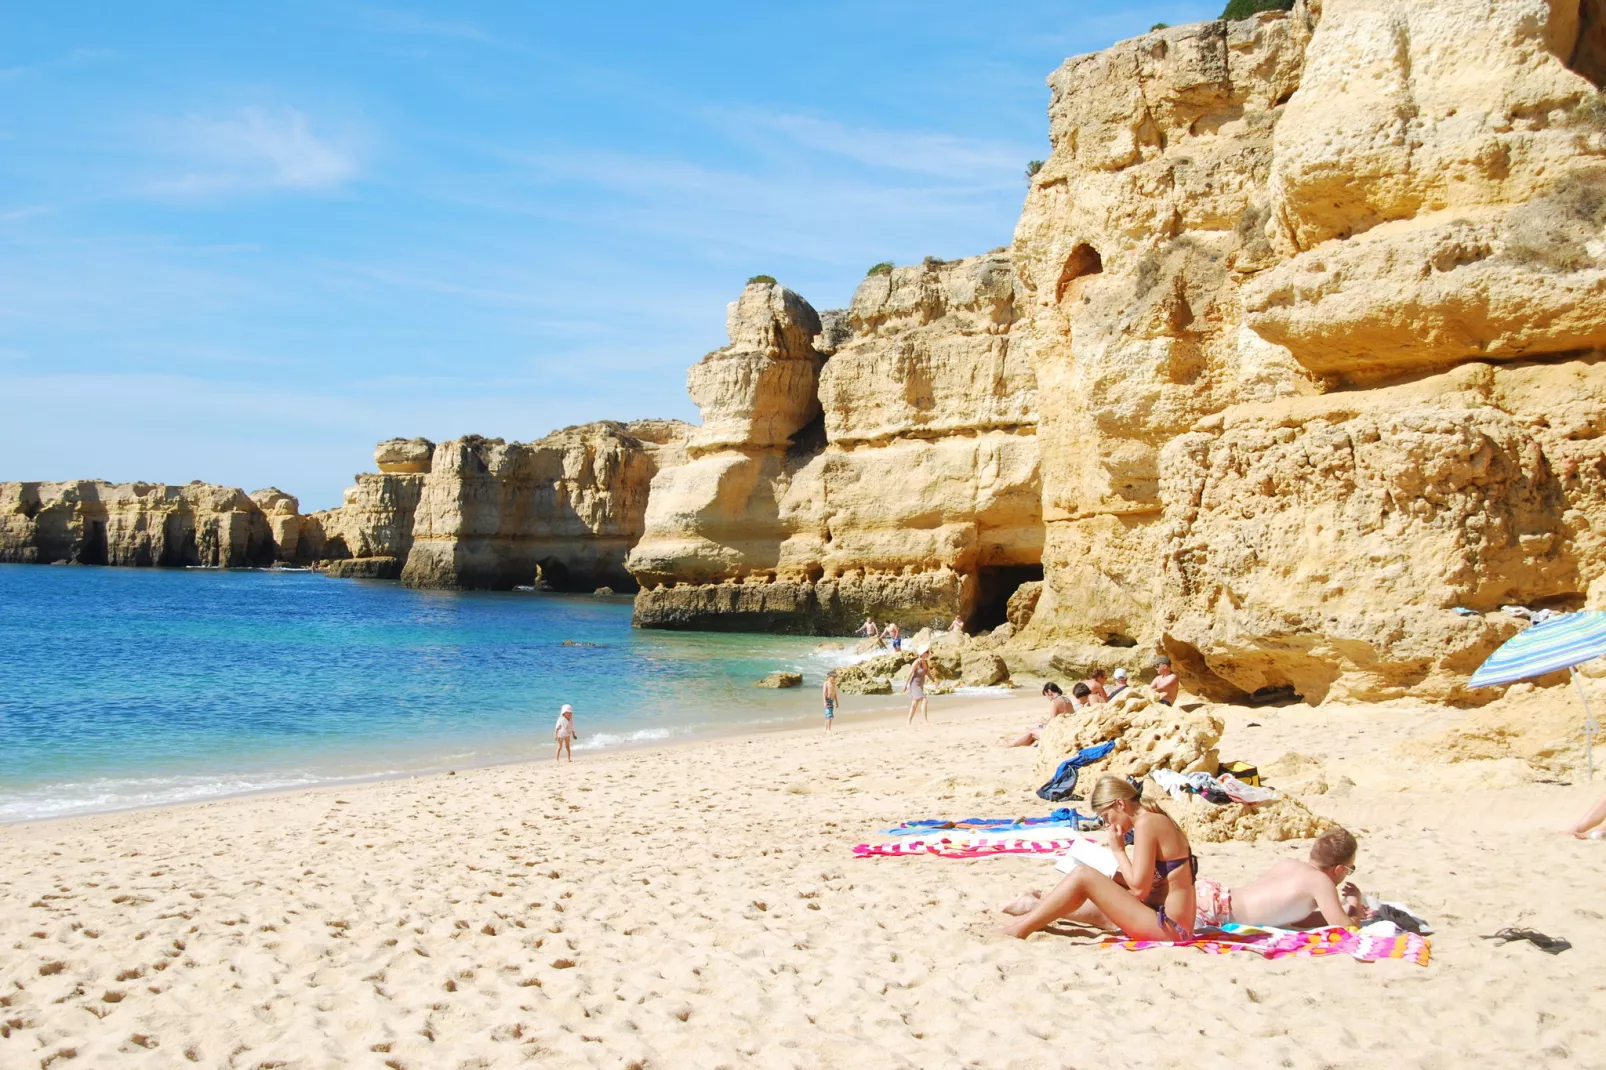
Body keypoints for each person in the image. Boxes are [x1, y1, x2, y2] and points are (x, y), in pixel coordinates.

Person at [1000, 775, 1197, 940]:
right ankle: (1035, 911)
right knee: (1098, 886)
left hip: (1171, 928)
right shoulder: (1152, 820)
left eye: (1106, 817)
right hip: (1168, 920)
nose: (1108, 824)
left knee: (1082, 875)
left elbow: (1139, 889)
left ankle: (1020, 929)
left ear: (1120, 804)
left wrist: (1118, 850)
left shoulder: (1147, 824)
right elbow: (1150, 883)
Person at [1194, 827, 1371, 929]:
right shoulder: (1321, 882)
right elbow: (1346, 931)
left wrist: (1342, 910)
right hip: (1215, 912)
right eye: (1350, 869)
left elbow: (1292, 916)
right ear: (1339, 869)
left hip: (1211, 893)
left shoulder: (1288, 864)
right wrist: (1354, 903)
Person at [1008, 682, 1074, 747]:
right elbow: (1061, 716)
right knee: (1035, 728)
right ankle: (1015, 740)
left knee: (1032, 733)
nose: (1048, 698)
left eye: (1046, 695)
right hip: (1067, 730)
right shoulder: (1066, 699)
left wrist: (1045, 722)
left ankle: (1011, 744)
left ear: (1049, 692)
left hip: (1058, 734)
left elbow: (1053, 723)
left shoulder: (1055, 701)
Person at [905, 650, 931, 725]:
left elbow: (928, 673)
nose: (928, 654)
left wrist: (934, 681)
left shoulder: (925, 662)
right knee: (924, 700)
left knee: (914, 703)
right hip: (914, 684)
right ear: (923, 653)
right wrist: (905, 684)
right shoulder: (917, 662)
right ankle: (925, 721)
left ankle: (908, 722)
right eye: (927, 652)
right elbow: (910, 673)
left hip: (920, 685)